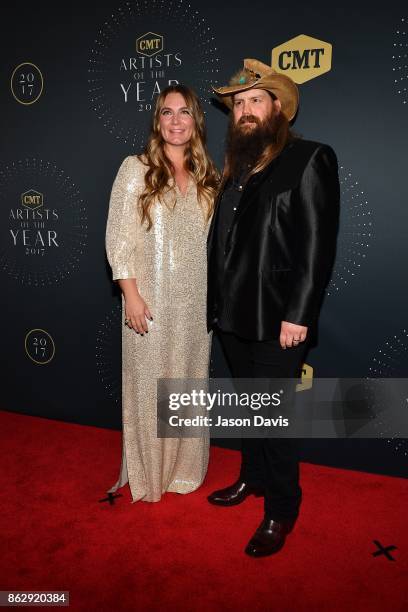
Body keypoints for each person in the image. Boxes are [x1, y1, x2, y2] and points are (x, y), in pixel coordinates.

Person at [207, 59, 340, 556]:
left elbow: (316, 247)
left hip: (279, 320)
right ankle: (252, 479)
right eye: (238, 104)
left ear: (278, 108)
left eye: (255, 101)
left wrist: (299, 315)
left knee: (274, 420)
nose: (244, 111)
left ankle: (281, 510)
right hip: (231, 317)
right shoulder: (235, 169)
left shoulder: (310, 159)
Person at [105, 84, 219, 503]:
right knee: (151, 385)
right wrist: (130, 295)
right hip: (148, 299)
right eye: (167, 112)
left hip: (195, 303)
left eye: (184, 112)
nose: (175, 121)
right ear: (158, 120)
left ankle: (184, 469)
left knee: (186, 384)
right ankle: (151, 471)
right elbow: (119, 238)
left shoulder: (210, 177)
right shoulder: (135, 168)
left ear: (196, 121)